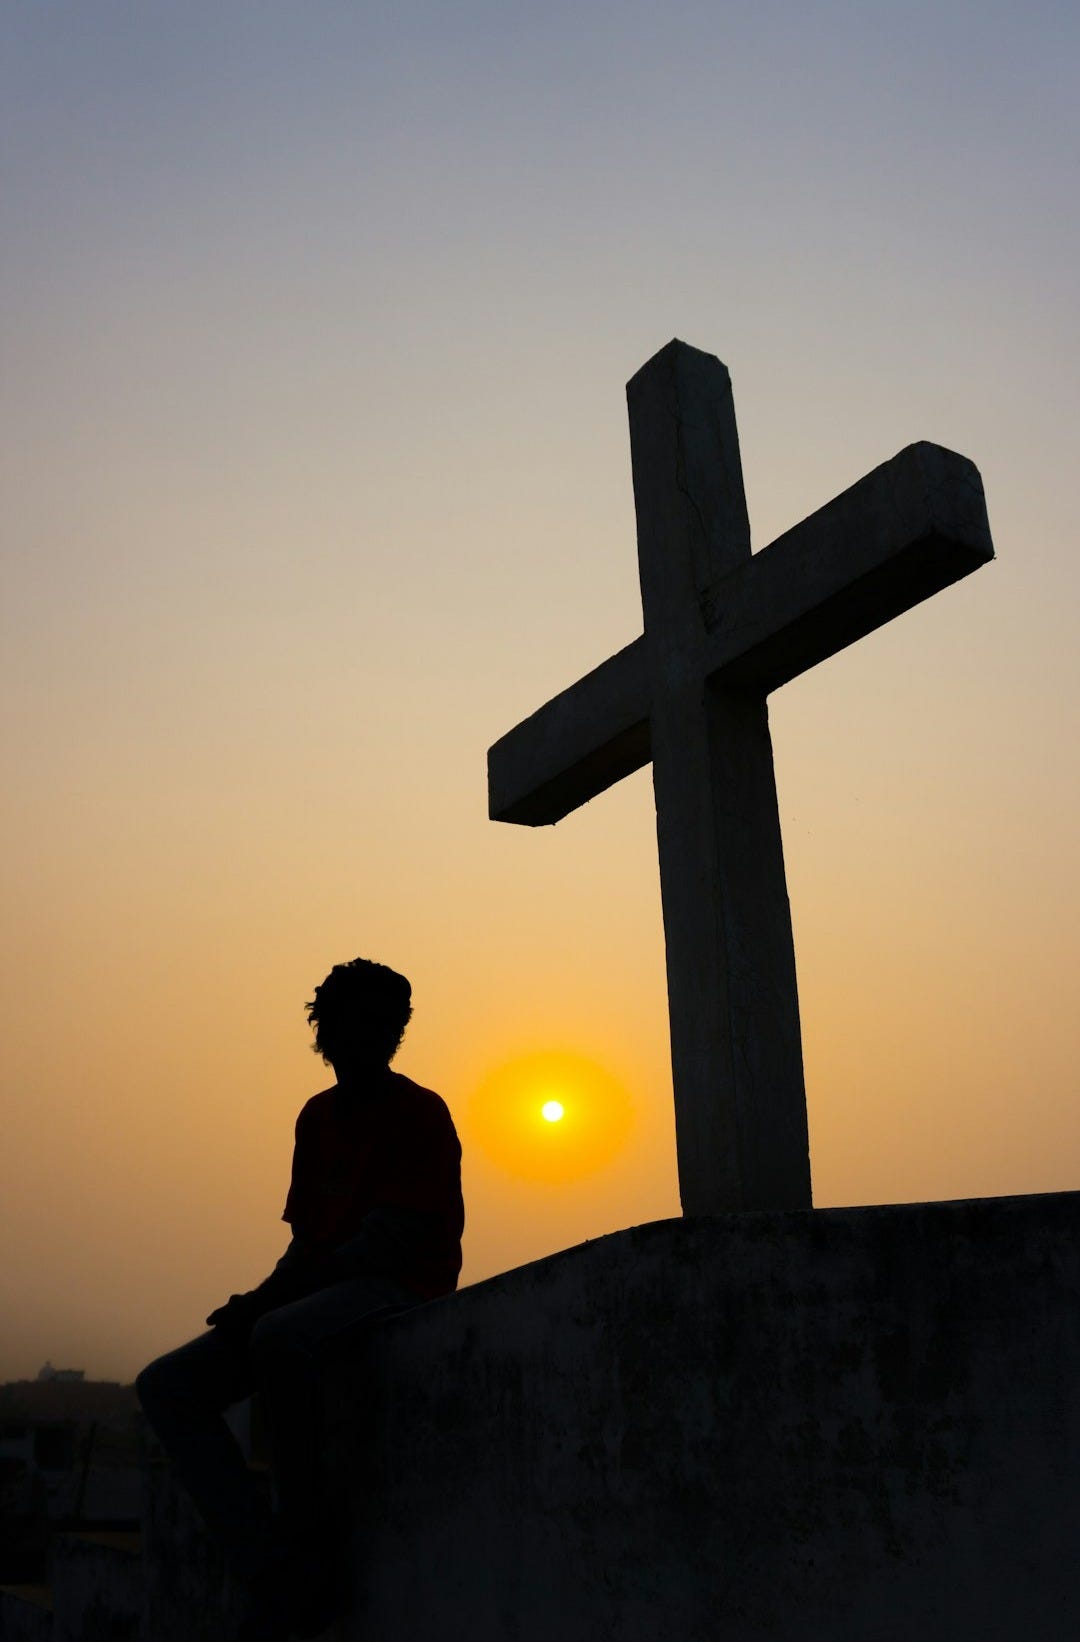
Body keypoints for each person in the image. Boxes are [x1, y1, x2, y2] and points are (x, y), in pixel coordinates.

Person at [136, 958, 464, 1642]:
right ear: (327, 1028)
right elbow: (310, 1242)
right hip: (323, 1288)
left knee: (279, 1337)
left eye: (388, 1023)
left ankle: (306, 1541)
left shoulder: (419, 1113)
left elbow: (383, 1245)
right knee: (168, 1386)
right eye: (360, 1021)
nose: (376, 1035)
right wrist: (258, 1297)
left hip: (402, 1287)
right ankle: (272, 1567)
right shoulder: (316, 1119)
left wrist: (269, 1305)